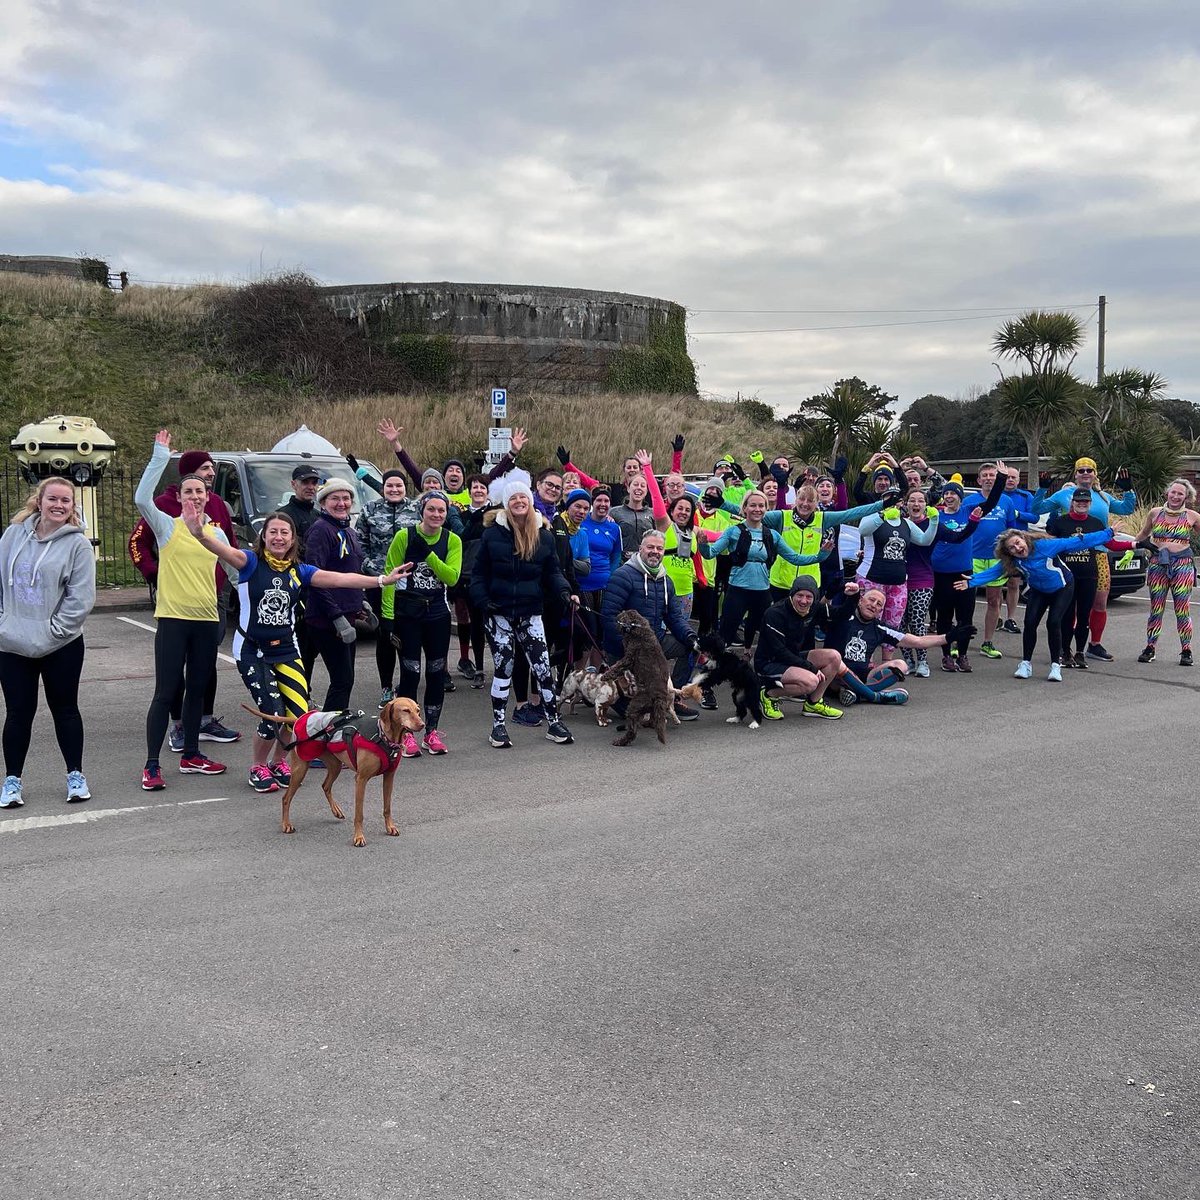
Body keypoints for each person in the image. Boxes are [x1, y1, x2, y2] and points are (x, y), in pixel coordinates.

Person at [187, 510, 411, 792]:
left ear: (293, 539)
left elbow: (340, 579)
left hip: (286, 651)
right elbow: (221, 548)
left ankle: (279, 761)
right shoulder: (249, 562)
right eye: (273, 532)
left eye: (285, 533)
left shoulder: (300, 571)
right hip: (252, 651)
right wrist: (198, 533)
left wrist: (382, 580)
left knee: (299, 715)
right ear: (264, 537)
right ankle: (258, 766)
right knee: (271, 711)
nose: (279, 538)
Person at [135, 431, 234, 789]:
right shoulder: (166, 526)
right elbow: (140, 497)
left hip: (207, 620)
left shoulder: (216, 534)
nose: (195, 496)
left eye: (200, 492)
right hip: (174, 620)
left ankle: (192, 754)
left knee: (197, 688)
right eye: (188, 491)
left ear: (208, 497)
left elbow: (239, 572)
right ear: (179, 497)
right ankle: (152, 765)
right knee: (166, 692)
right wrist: (160, 455)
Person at [0, 476, 96, 808]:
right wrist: (4, 624)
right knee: (17, 713)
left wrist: (52, 632)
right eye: (52, 498)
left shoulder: (78, 545)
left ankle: (75, 776)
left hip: (61, 645)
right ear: (39, 501)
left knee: (66, 710)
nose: (58, 505)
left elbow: (80, 600)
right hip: (12, 644)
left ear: (72, 507)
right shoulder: (13, 535)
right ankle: (12, 782)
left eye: (65, 501)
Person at [470, 473, 578, 749]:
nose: (519, 501)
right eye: (514, 498)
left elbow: (553, 571)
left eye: (523, 498)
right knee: (504, 669)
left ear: (530, 503)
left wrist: (564, 591)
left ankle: (553, 721)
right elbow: (478, 574)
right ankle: (498, 726)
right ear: (507, 504)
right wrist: (483, 601)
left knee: (543, 669)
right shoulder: (492, 534)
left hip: (531, 613)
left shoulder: (544, 535)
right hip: (499, 614)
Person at [956, 525, 1135, 682]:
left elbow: (1078, 541)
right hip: (1039, 590)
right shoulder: (1013, 561)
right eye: (1012, 548)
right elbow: (994, 572)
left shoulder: (1045, 546)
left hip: (1062, 587)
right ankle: (1025, 664)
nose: (1017, 548)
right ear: (1008, 552)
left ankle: (1056, 666)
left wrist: (1108, 533)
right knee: (1030, 622)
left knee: (1053, 622)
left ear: (1025, 539)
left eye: (1018, 542)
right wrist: (971, 582)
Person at [382, 490, 463, 756]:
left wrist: (427, 554)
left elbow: (451, 578)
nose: (437, 515)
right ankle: (405, 735)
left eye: (441, 511)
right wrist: (388, 617)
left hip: (438, 615)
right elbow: (389, 577)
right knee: (411, 673)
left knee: (436, 673)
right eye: (432, 510)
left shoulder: (452, 540)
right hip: (409, 615)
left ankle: (431, 732)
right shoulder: (404, 537)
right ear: (422, 511)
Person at [1032, 457, 1136, 661]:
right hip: (1070, 554)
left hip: (1098, 553)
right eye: (1081, 470)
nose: (1085, 473)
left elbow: (1126, 509)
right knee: (1068, 604)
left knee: (1099, 602)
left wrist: (1128, 490)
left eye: (1089, 470)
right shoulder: (1064, 495)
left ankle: (1094, 645)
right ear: (1075, 474)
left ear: (1095, 473)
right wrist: (1042, 490)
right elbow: (1037, 510)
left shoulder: (1103, 497)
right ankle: (1064, 648)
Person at [699, 489, 826, 652]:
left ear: (766, 509)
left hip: (762, 592)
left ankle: (749, 656)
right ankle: (713, 665)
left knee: (761, 632)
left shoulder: (772, 535)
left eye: (761, 506)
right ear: (744, 508)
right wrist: (703, 544)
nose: (757, 509)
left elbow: (795, 558)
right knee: (726, 632)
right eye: (752, 505)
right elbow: (709, 554)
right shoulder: (733, 531)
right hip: (737, 590)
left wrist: (821, 555)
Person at [601, 529, 701, 719]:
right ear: (640, 549)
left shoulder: (667, 581)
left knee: (692, 648)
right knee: (635, 713)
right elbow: (608, 618)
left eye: (660, 548)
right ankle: (620, 688)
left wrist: (691, 636)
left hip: (654, 642)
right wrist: (633, 649)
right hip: (625, 648)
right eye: (650, 547)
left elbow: (675, 618)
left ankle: (671, 698)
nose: (655, 551)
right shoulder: (622, 576)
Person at [824, 582, 960, 705]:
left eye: (879, 604)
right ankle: (871, 696)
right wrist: (829, 594)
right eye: (871, 600)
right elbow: (820, 610)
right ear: (860, 600)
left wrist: (948, 637)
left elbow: (918, 641)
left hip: (862, 678)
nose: (873, 605)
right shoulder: (842, 616)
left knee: (901, 665)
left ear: (880, 611)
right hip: (835, 676)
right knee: (836, 662)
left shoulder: (880, 628)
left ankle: (857, 694)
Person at [303, 478, 371, 710]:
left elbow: (351, 571)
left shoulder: (347, 530)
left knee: (346, 679)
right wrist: (336, 617)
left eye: (346, 498)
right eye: (335, 498)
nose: (342, 503)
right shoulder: (321, 530)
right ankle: (329, 729)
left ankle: (335, 724)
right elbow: (314, 578)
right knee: (342, 680)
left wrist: (360, 601)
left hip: (348, 614)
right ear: (323, 503)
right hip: (325, 619)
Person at [355, 469, 421, 706]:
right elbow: (358, 542)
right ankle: (386, 687)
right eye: (390, 485)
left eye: (399, 485)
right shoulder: (370, 510)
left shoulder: (416, 509)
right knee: (385, 635)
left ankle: (405, 686)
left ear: (405, 488)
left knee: (407, 634)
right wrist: (371, 567)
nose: (394, 489)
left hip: (408, 583)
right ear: (383, 487)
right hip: (379, 581)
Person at [960, 460, 1034, 660]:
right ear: (978, 480)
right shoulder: (969, 502)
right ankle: (958, 642)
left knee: (994, 600)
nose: (988, 479)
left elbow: (1012, 531)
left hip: (996, 559)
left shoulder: (1007, 502)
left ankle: (987, 642)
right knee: (965, 601)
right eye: (984, 476)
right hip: (971, 557)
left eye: (992, 475)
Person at [754, 576, 846, 720]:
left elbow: (841, 615)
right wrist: (811, 667)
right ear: (792, 595)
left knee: (834, 657)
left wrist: (854, 596)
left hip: (792, 658)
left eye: (809, 597)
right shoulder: (775, 613)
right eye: (799, 595)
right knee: (810, 682)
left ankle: (813, 704)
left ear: (814, 598)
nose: (804, 601)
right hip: (769, 663)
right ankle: (768, 694)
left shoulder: (813, 607)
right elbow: (780, 652)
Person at [1132, 478, 1200, 666]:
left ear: (1187, 497)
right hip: (1158, 565)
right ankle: (1150, 647)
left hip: (1183, 566)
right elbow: (1143, 535)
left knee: (1182, 610)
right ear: (1167, 493)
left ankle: (1186, 650)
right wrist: (1129, 551)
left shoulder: (1192, 516)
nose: (1176, 496)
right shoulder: (1155, 513)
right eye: (1173, 492)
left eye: (1180, 494)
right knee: (1156, 608)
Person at [1046, 488, 1108, 669]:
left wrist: (1134, 543)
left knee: (1083, 615)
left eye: (1085, 502)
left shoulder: (1096, 523)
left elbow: (1109, 542)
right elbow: (1048, 544)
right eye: (1078, 501)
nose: (1082, 504)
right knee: (1066, 615)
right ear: (1072, 503)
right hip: (1067, 576)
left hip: (1088, 575)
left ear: (1090, 504)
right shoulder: (1060, 522)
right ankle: (1065, 651)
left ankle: (1080, 652)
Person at [279, 464, 321, 550]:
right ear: (293, 484)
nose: (310, 487)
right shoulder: (282, 516)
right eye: (305, 482)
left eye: (314, 483)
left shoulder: (318, 516)